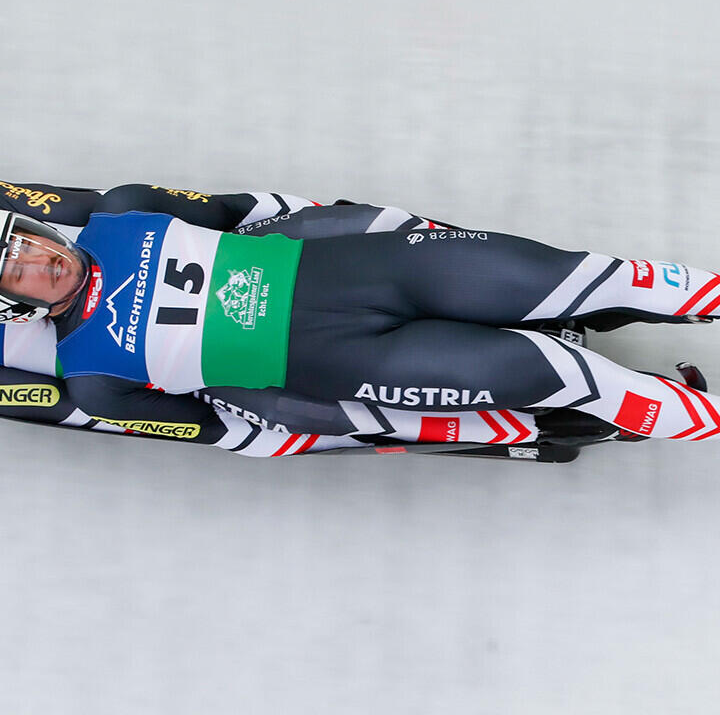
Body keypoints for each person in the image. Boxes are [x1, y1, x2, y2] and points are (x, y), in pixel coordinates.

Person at [1, 179, 719, 461]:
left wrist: (377, 225)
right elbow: (221, 429)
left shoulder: (123, 212)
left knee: (608, 277)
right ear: (15, 305)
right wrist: (348, 427)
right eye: (18, 269)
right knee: (568, 374)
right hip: (355, 363)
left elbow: (253, 210)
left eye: (29, 240)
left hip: (379, 269)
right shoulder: (92, 377)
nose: (39, 258)